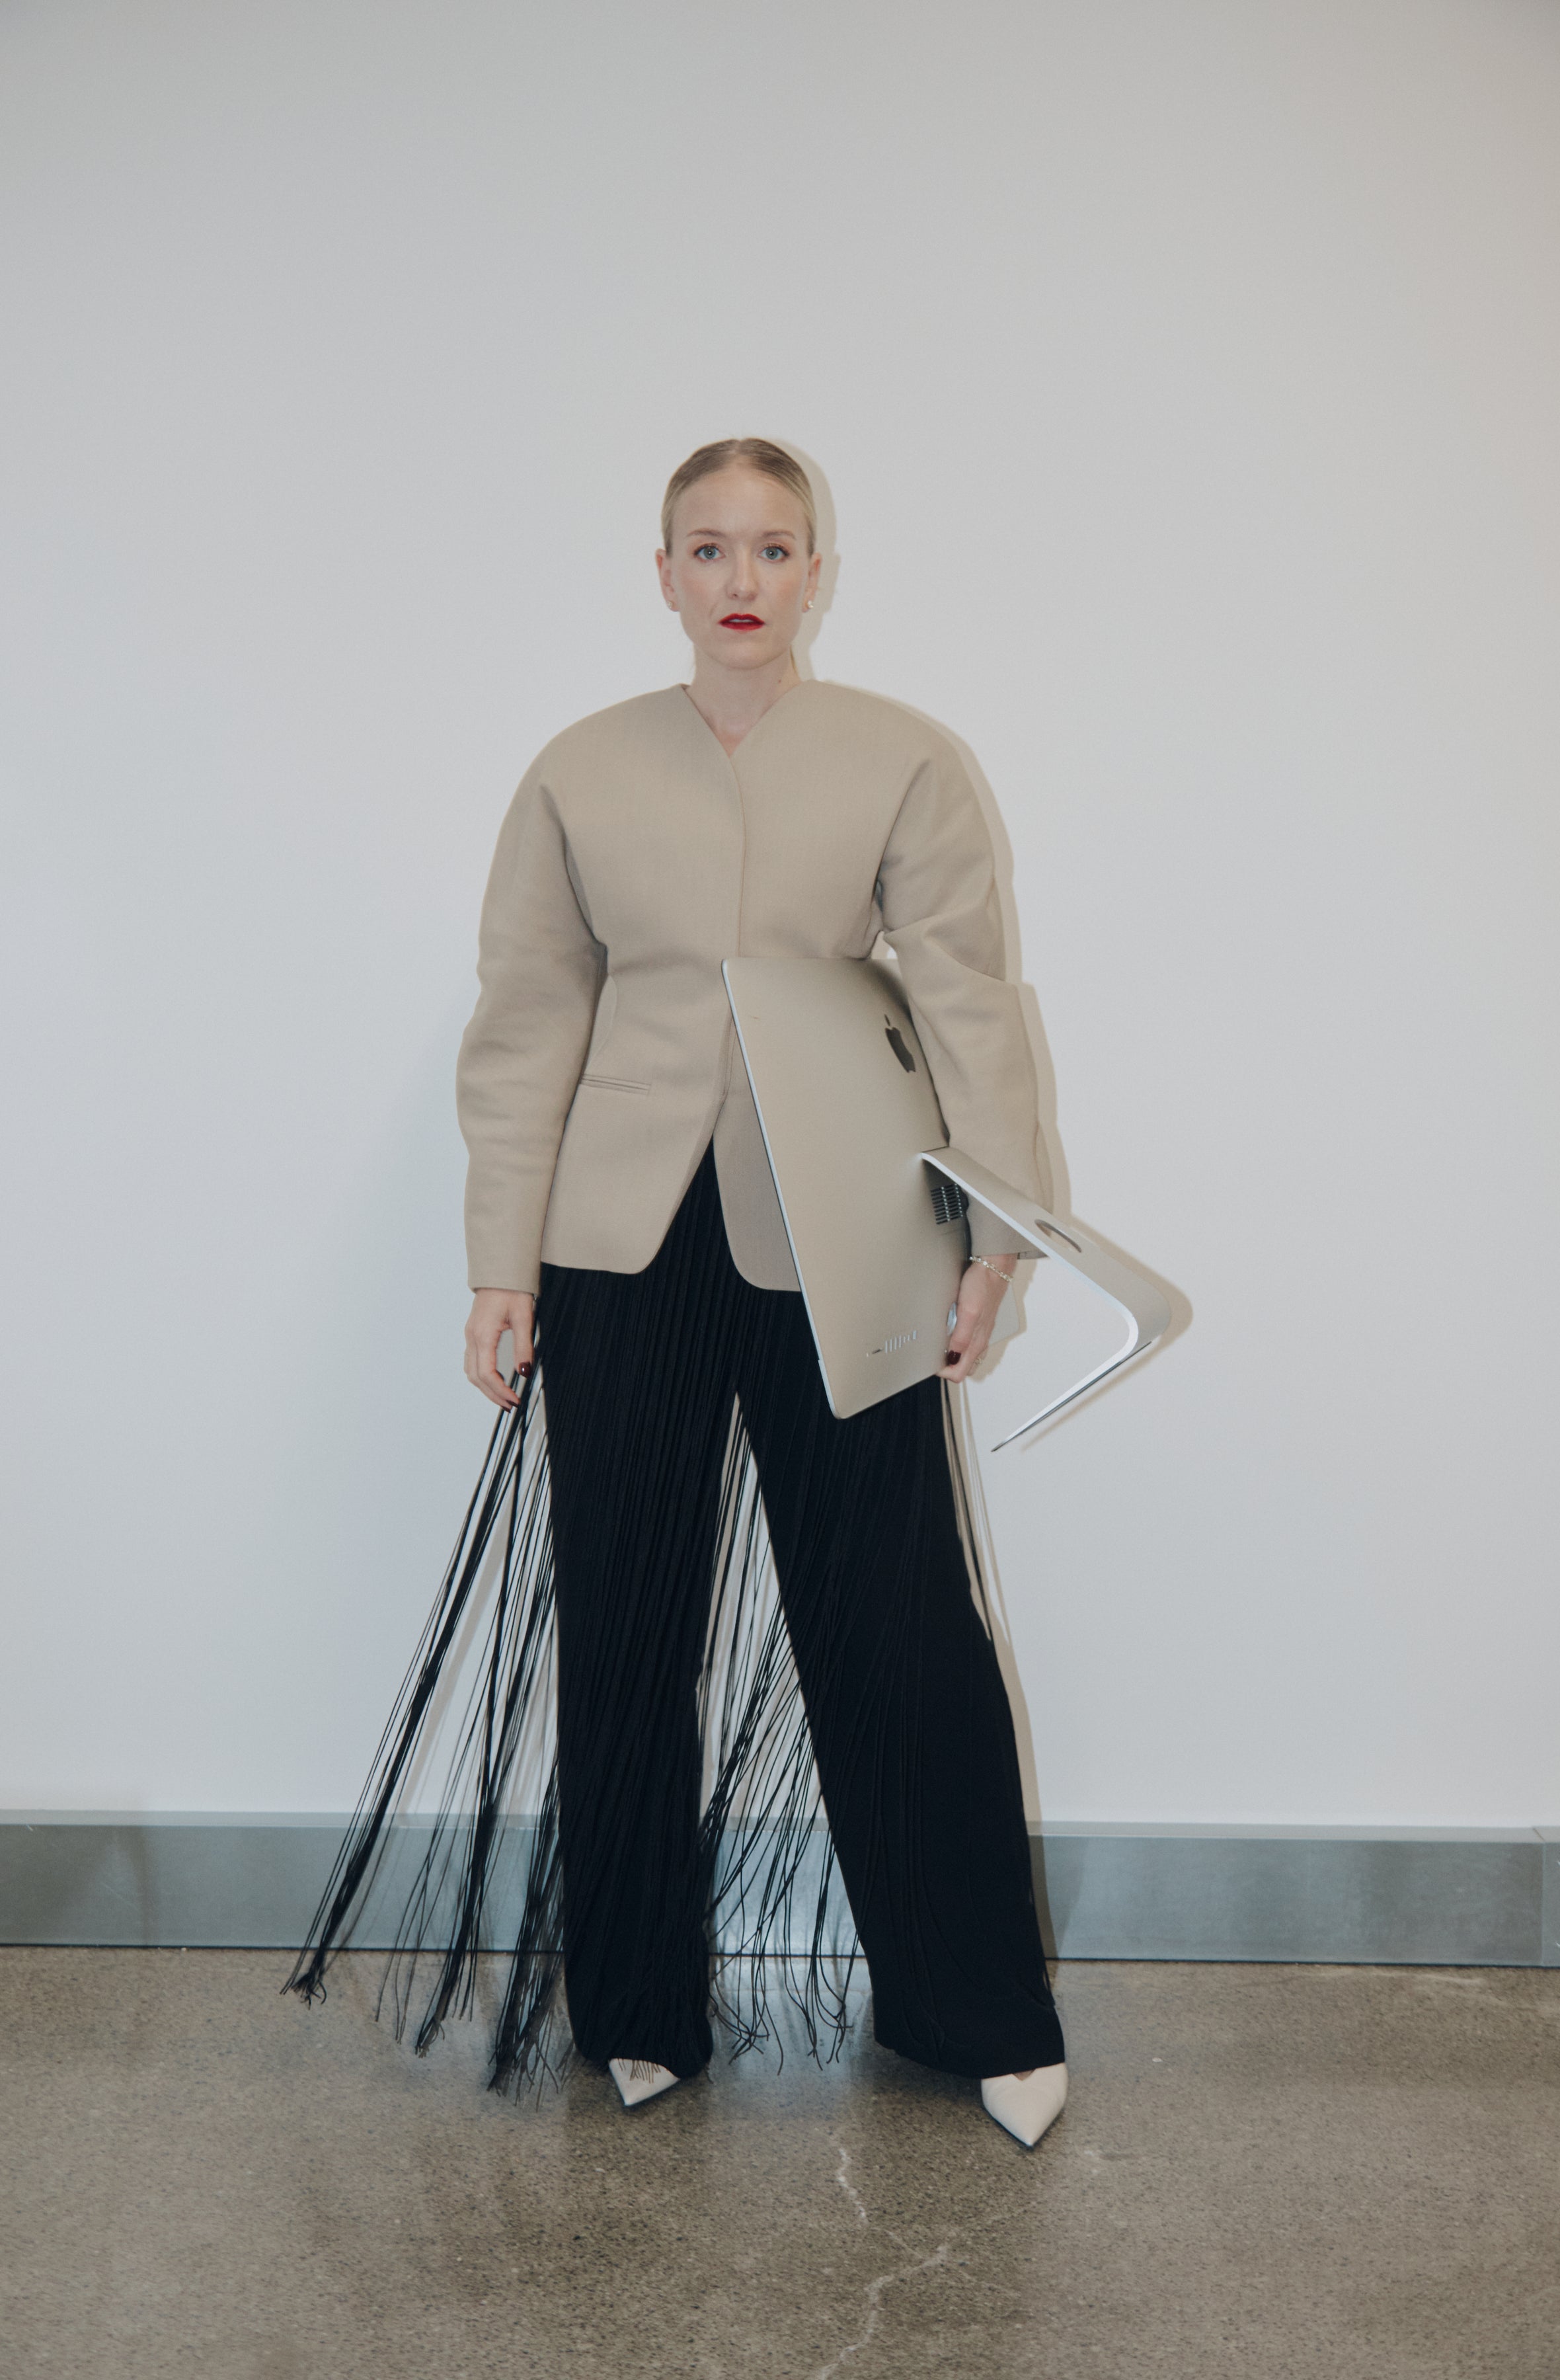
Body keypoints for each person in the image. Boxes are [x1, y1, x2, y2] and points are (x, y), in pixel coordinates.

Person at [292, 438, 1068, 2149]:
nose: (742, 579)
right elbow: (525, 1021)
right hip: (620, 1245)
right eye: (708, 548)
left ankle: (979, 2014)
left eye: (774, 548)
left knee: (900, 1623)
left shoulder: (903, 760)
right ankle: (639, 2009)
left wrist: (996, 1230)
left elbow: (966, 999)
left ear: (816, 571)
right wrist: (501, 1262)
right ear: (662, 573)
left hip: (841, 1229)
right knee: (627, 1622)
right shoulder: (580, 770)